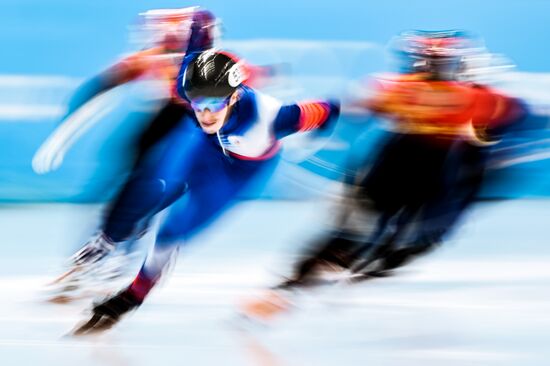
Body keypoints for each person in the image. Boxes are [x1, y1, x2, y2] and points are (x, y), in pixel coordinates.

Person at [240, 30, 527, 321]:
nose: (433, 69)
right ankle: (301, 285)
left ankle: (309, 282)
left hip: (412, 169)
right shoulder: (467, 96)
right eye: (431, 61)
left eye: (438, 62)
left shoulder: (429, 92)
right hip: (405, 168)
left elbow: (354, 112)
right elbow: (516, 118)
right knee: (374, 234)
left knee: (378, 234)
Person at [69, 49, 340, 335]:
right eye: (199, 103)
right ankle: (112, 240)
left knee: (174, 231)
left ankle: (132, 296)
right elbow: (197, 29)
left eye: (215, 103)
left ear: (234, 96)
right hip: (202, 148)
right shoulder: (187, 82)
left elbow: (329, 109)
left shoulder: (273, 117)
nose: (207, 113)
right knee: (152, 185)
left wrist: (311, 142)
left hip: (236, 173)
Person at [44, 8, 279, 302]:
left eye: (175, 45)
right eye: (168, 45)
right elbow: (107, 82)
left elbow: (248, 86)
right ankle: (106, 246)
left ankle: (113, 248)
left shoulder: (218, 63)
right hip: (169, 121)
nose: (170, 53)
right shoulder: (153, 57)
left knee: (157, 184)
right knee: (137, 176)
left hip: (191, 127)